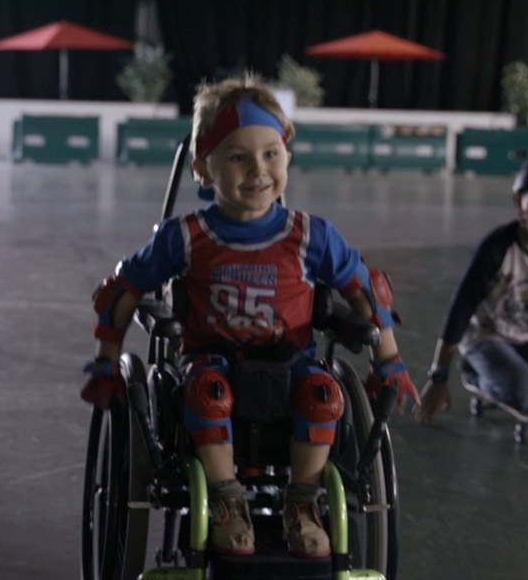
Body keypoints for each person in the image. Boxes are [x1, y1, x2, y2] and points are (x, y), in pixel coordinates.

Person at [80, 75, 419, 559]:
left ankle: (303, 503)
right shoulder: (186, 236)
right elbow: (123, 288)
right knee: (207, 392)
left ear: (287, 158)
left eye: (270, 154)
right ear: (203, 169)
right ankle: (226, 502)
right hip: (212, 363)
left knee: (324, 396)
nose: (258, 170)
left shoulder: (311, 235)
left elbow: (368, 293)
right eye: (238, 157)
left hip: (290, 365)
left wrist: (389, 363)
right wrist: (106, 361)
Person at [416, 154, 528, 432]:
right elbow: (461, 309)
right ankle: (475, 373)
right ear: (520, 203)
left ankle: (526, 377)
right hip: (487, 336)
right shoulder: (498, 247)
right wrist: (438, 376)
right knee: (524, 391)